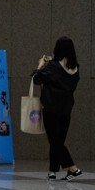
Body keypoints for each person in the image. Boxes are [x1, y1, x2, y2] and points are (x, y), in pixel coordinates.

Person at [32, 37, 82, 181]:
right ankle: (52, 171)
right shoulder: (75, 68)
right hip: (66, 110)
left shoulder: (53, 67)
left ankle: (73, 169)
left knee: (55, 141)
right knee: (57, 141)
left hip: (51, 109)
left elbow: (36, 79)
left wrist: (40, 65)